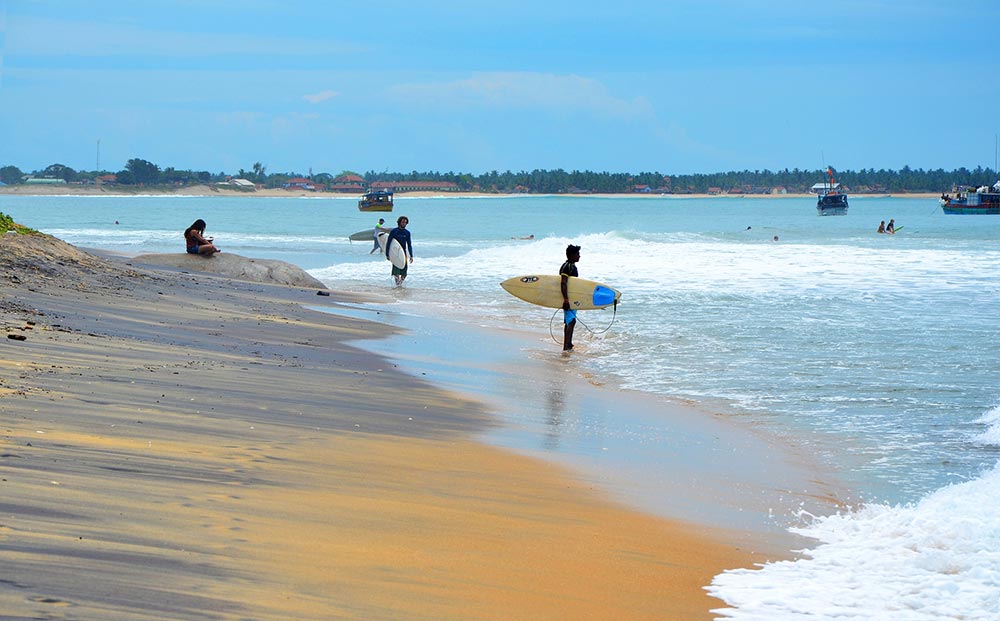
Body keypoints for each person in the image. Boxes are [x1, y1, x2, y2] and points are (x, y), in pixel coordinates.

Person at [560, 244, 581, 352]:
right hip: (568, 298)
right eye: (577, 254)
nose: (579, 256)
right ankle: (566, 346)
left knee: (569, 321)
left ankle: (568, 343)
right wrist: (566, 299)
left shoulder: (572, 266)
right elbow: (563, 283)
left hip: (572, 298)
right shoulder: (566, 266)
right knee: (571, 321)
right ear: (572, 255)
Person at [386, 215, 413, 286]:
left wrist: (411, 255)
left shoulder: (407, 233)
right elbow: (388, 243)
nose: (404, 223)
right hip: (395, 253)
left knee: (404, 272)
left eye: (406, 222)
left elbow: (409, 245)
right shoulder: (394, 231)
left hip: (403, 253)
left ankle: (399, 284)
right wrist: (387, 254)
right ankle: (397, 284)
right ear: (399, 222)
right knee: (396, 271)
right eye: (403, 222)